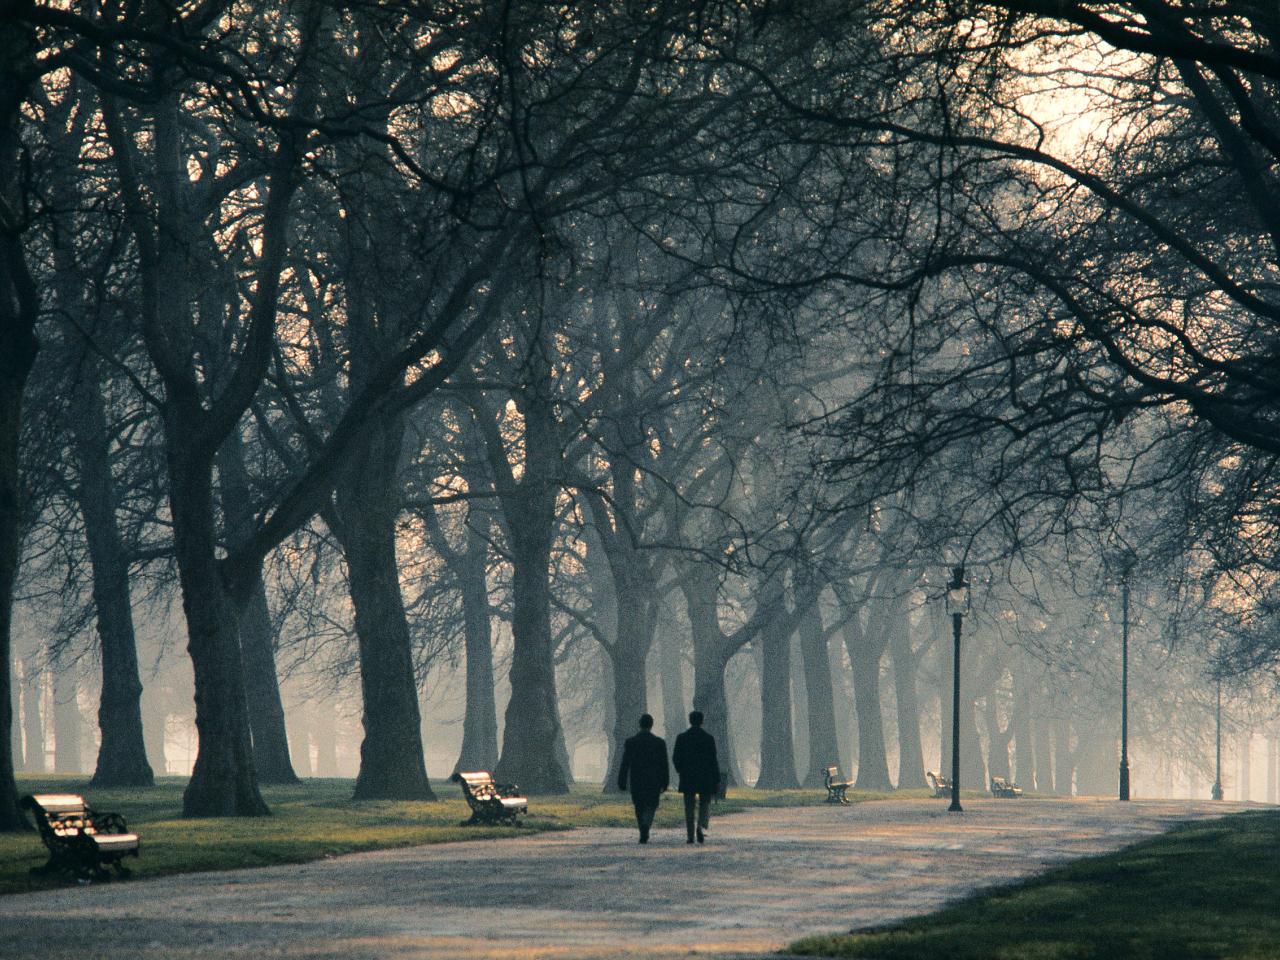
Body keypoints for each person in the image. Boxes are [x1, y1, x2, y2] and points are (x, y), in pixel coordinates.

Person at [617, 713, 670, 844]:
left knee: (639, 806)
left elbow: (625, 764)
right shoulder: (659, 743)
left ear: (639, 725)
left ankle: (642, 828)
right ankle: (646, 824)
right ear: (652, 725)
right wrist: (665, 781)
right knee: (652, 805)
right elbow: (664, 765)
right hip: (654, 780)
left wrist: (622, 781)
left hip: (637, 779)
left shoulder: (631, 742)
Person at [671, 710, 721, 844]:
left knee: (689, 806)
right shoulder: (708, 738)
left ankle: (690, 835)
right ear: (702, 721)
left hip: (688, 776)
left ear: (690, 720)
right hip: (705, 777)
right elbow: (713, 760)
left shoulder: (682, 738)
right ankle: (700, 826)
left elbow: (676, 757)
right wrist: (716, 779)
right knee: (705, 803)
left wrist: (680, 769)